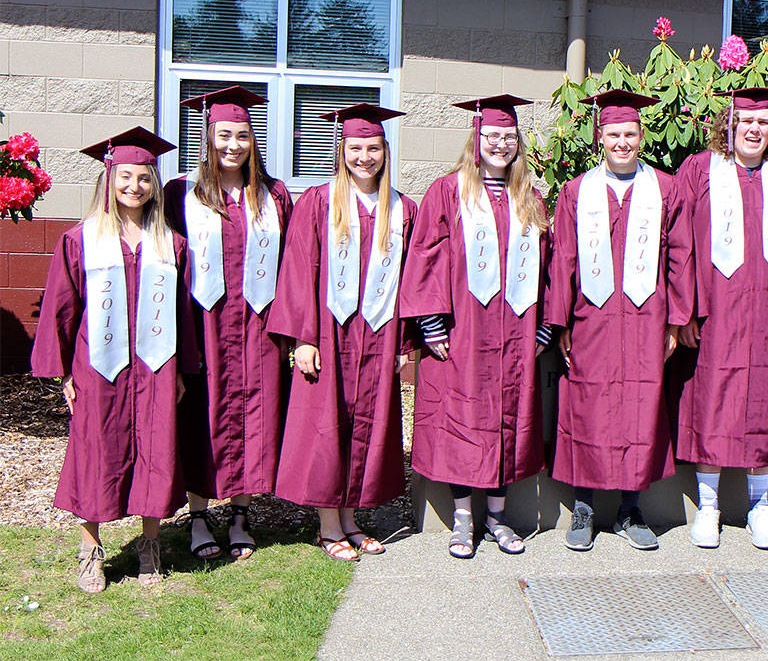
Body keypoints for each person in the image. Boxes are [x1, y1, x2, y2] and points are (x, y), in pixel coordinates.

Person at [32, 127, 197, 591]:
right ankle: (90, 550)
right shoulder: (81, 239)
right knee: (95, 450)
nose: (135, 187)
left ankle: (150, 544)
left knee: (157, 448)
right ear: (109, 180)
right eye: (126, 177)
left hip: (155, 366)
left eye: (144, 178)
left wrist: (184, 368)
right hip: (98, 367)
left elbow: (183, 312)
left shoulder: (170, 243)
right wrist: (63, 370)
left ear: (154, 185)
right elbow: (62, 307)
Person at [401, 95, 552, 558]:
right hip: (462, 333)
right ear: (477, 138)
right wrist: (430, 325)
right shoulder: (447, 192)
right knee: (460, 420)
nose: (500, 144)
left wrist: (545, 327)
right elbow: (425, 256)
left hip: (516, 334)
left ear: (517, 142)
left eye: (508, 137)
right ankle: (464, 520)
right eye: (492, 136)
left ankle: (499, 520)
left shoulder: (530, 197)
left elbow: (551, 269)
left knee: (509, 417)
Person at [546, 89, 694, 552]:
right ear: (600, 138)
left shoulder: (666, 188)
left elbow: (681, 256)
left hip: (647, 318)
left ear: (641, 134)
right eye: (613, 134)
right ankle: (585, 508)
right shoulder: (577, 191)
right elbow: (564, 259)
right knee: (587, 408)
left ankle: (632, 508)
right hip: (591, 320)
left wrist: (675, 320)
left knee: (639, 407)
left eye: (630, 133)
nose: (622, 142)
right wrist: (562, 321)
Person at [268, 103, 416, 561]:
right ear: (341, 149)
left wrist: (406, 344)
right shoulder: (318, 201)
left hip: (379, 333)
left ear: (384, 151)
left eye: (373, 148)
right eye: (355, 148)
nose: (364, 157)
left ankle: (351, 519)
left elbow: (413, 281)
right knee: (326, 424)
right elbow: (296, 270)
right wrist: (305, 337)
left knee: (367, 424)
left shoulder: (402, 208)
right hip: (330, 332)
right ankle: (328, 526)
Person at [671, 87, 768, 550]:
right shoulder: (700, 171)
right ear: (728, 124)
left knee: (764, 403)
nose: (753, 129)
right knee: (712, 398)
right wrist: (683, 309)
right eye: (745, 120)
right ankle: (708, 508)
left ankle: (758, 507)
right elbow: (680, 242)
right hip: (715, 312)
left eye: (763, 122)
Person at [166, 86, 293, 561]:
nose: (233, 145)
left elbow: (292, 269)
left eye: (242, 135)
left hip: (258, 328)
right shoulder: (181, 192)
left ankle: (241, 514)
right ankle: (199, 516)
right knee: (204, 416)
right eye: (224, 135)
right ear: (208, 135)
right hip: (204, 327)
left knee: (255, 416)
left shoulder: (274, 194)